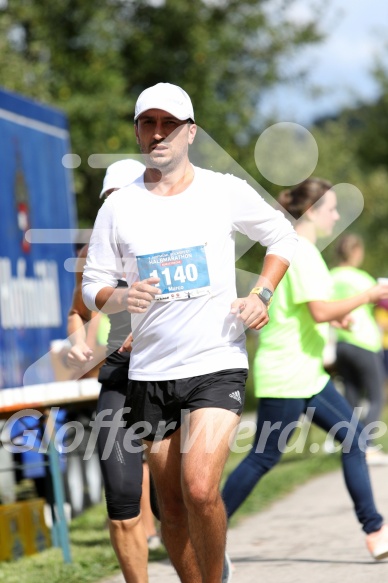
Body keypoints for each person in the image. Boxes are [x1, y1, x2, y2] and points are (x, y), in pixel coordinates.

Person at [82, 82, 298, 583]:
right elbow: (93, 281)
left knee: (200, 488)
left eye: (169, 124)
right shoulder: (119, 206)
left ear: (190, 132)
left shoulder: (223, 190)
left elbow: (282, 234)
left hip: (216, 362)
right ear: (137, 131)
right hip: (151, 371)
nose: (158, 134)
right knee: (171, 507)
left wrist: (261, 293)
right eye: (148, 123)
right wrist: (119, 298)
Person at [222, 177, 388, 562]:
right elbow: (318, 309)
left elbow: (305, 310)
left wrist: (339, 319)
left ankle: (375, 530)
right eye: (331, 208)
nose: (335, 216)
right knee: (264, 457)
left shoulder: (296, 247)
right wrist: (367, 296)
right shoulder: (302, 250)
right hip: (287, 374)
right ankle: (203, 526)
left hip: (306, 373)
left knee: (354, 439)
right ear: (312, 211)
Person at [67, 158, 161, 583]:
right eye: (108, 201)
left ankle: (206, 560)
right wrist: (80, 344)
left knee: (177, 501)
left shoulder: (166, 242)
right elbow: (77, 311)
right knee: (122, 501)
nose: (114, 210)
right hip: (119, 374)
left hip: (171, 372)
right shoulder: (93, 254)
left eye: (121, 199)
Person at [330, 233, 387, 463]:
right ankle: (366, 445)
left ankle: (352, 446)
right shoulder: (362, 278)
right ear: (356, 253)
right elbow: (382, 301)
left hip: (342, 343)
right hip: (364, 341)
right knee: (377, 396)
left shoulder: (330, 277)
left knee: (351, 398)